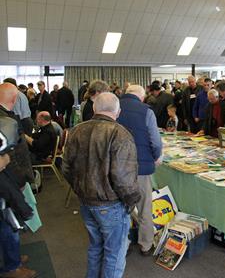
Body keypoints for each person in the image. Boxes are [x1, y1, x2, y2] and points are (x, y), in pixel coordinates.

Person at [63, 92, 141, 277]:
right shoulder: (120, 134)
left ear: (95, 108)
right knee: (114, 254)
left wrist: (81, 189)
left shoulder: (76, 131)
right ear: (118, 111)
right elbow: (124, 179)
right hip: (111, 205)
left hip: (86, 202)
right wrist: (132, 202)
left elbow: (66, 168)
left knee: (95, 247)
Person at [117, 85, 162, 256]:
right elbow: (155, 141)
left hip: (119, 168)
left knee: (122, 208)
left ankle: (125, 243)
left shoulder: (115, 107)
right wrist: (155, 157)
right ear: (141, 97)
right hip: (142, 168)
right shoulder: (146, 111)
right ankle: (146, 244)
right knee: (144, 207)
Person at [0, 84, 36, 278]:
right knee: (9, 222)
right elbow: (8, 156)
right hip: (7, 181)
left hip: (9, 178)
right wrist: (20, 178)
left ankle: (11, 258)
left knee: (7, 222)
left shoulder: (5, 118)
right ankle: (12, 267)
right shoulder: (4, 120)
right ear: (15, 99)